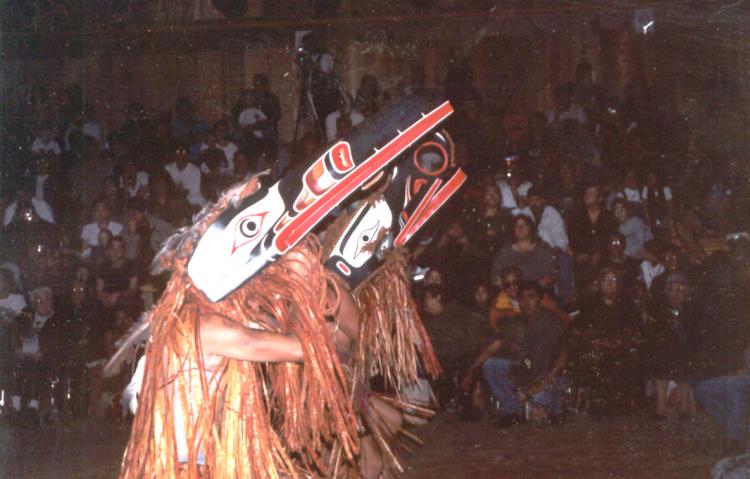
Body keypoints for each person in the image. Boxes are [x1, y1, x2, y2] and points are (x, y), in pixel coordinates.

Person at [480, 282, 568, 425]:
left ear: (541, 299)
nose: (526, 302)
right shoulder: (520, 322)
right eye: (522, 298)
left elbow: (558, 359)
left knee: (539, 406)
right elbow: (527, 360)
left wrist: (533, 387)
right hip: (531, 371)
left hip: (550, 377)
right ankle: (513, 410)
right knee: (491, 365)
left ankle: (539, 408)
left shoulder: (551, 322)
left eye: (531, 297)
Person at [568, 267, 642, 412]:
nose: (610, 283)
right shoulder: (589, 304)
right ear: (599, 283)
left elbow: (634, 329)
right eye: (606, 280)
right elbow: (580, 329)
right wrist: (598, 340)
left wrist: (618, 341)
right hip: (595, 347)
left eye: (614, 280)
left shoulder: (627, 304)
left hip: (620, 347)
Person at [492, 214, 555, 290]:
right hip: (512, 294)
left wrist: (537, 288)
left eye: (524, 225)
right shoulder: (505, 251)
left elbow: (551, 272)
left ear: (531, 228)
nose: (520, 228)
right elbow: (496, 275)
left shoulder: (543, 248)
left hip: (538, 292)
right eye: (517, 226)